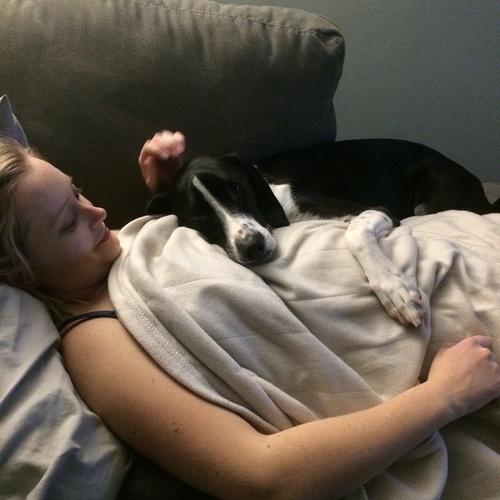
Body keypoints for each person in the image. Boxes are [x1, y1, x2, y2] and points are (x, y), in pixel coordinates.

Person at [0, 133, 499, 499]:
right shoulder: (95, 346)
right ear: (21, 275)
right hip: (453, 346)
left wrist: (174, 184)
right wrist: (443, 398)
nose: (100, 213)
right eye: (68, 222)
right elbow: (266, 477)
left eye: (78, 193)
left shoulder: (113, 249)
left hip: (432, 251)